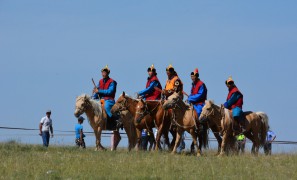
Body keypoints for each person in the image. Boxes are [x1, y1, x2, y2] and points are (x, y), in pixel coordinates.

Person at [92, 65, 120, 129]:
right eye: (103, 72)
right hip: (102, 100)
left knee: (106, 106)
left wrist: (98, 91)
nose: (104, 73)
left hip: (109, 100)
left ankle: (115, 120)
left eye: (105, 72)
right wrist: (93, 97)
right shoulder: (100, 81)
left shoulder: (112, 82)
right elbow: (97, 92)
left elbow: (110, 91)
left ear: (108, 73)